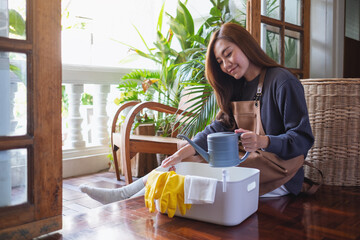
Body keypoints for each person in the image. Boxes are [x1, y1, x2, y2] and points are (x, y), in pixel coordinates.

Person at [80, 22, 314, 204]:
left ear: (245, 45)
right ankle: (124, 195)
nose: (226, 65)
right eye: (220, 61)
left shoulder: (282, 81)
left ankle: (126, 200)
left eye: (228, 53)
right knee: (183, 163)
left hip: (280, 174)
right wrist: (184, 152)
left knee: (191, 175)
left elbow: (302, 139)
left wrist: (264, 141)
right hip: (250, 160)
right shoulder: (238, 86)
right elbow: (217, 128)